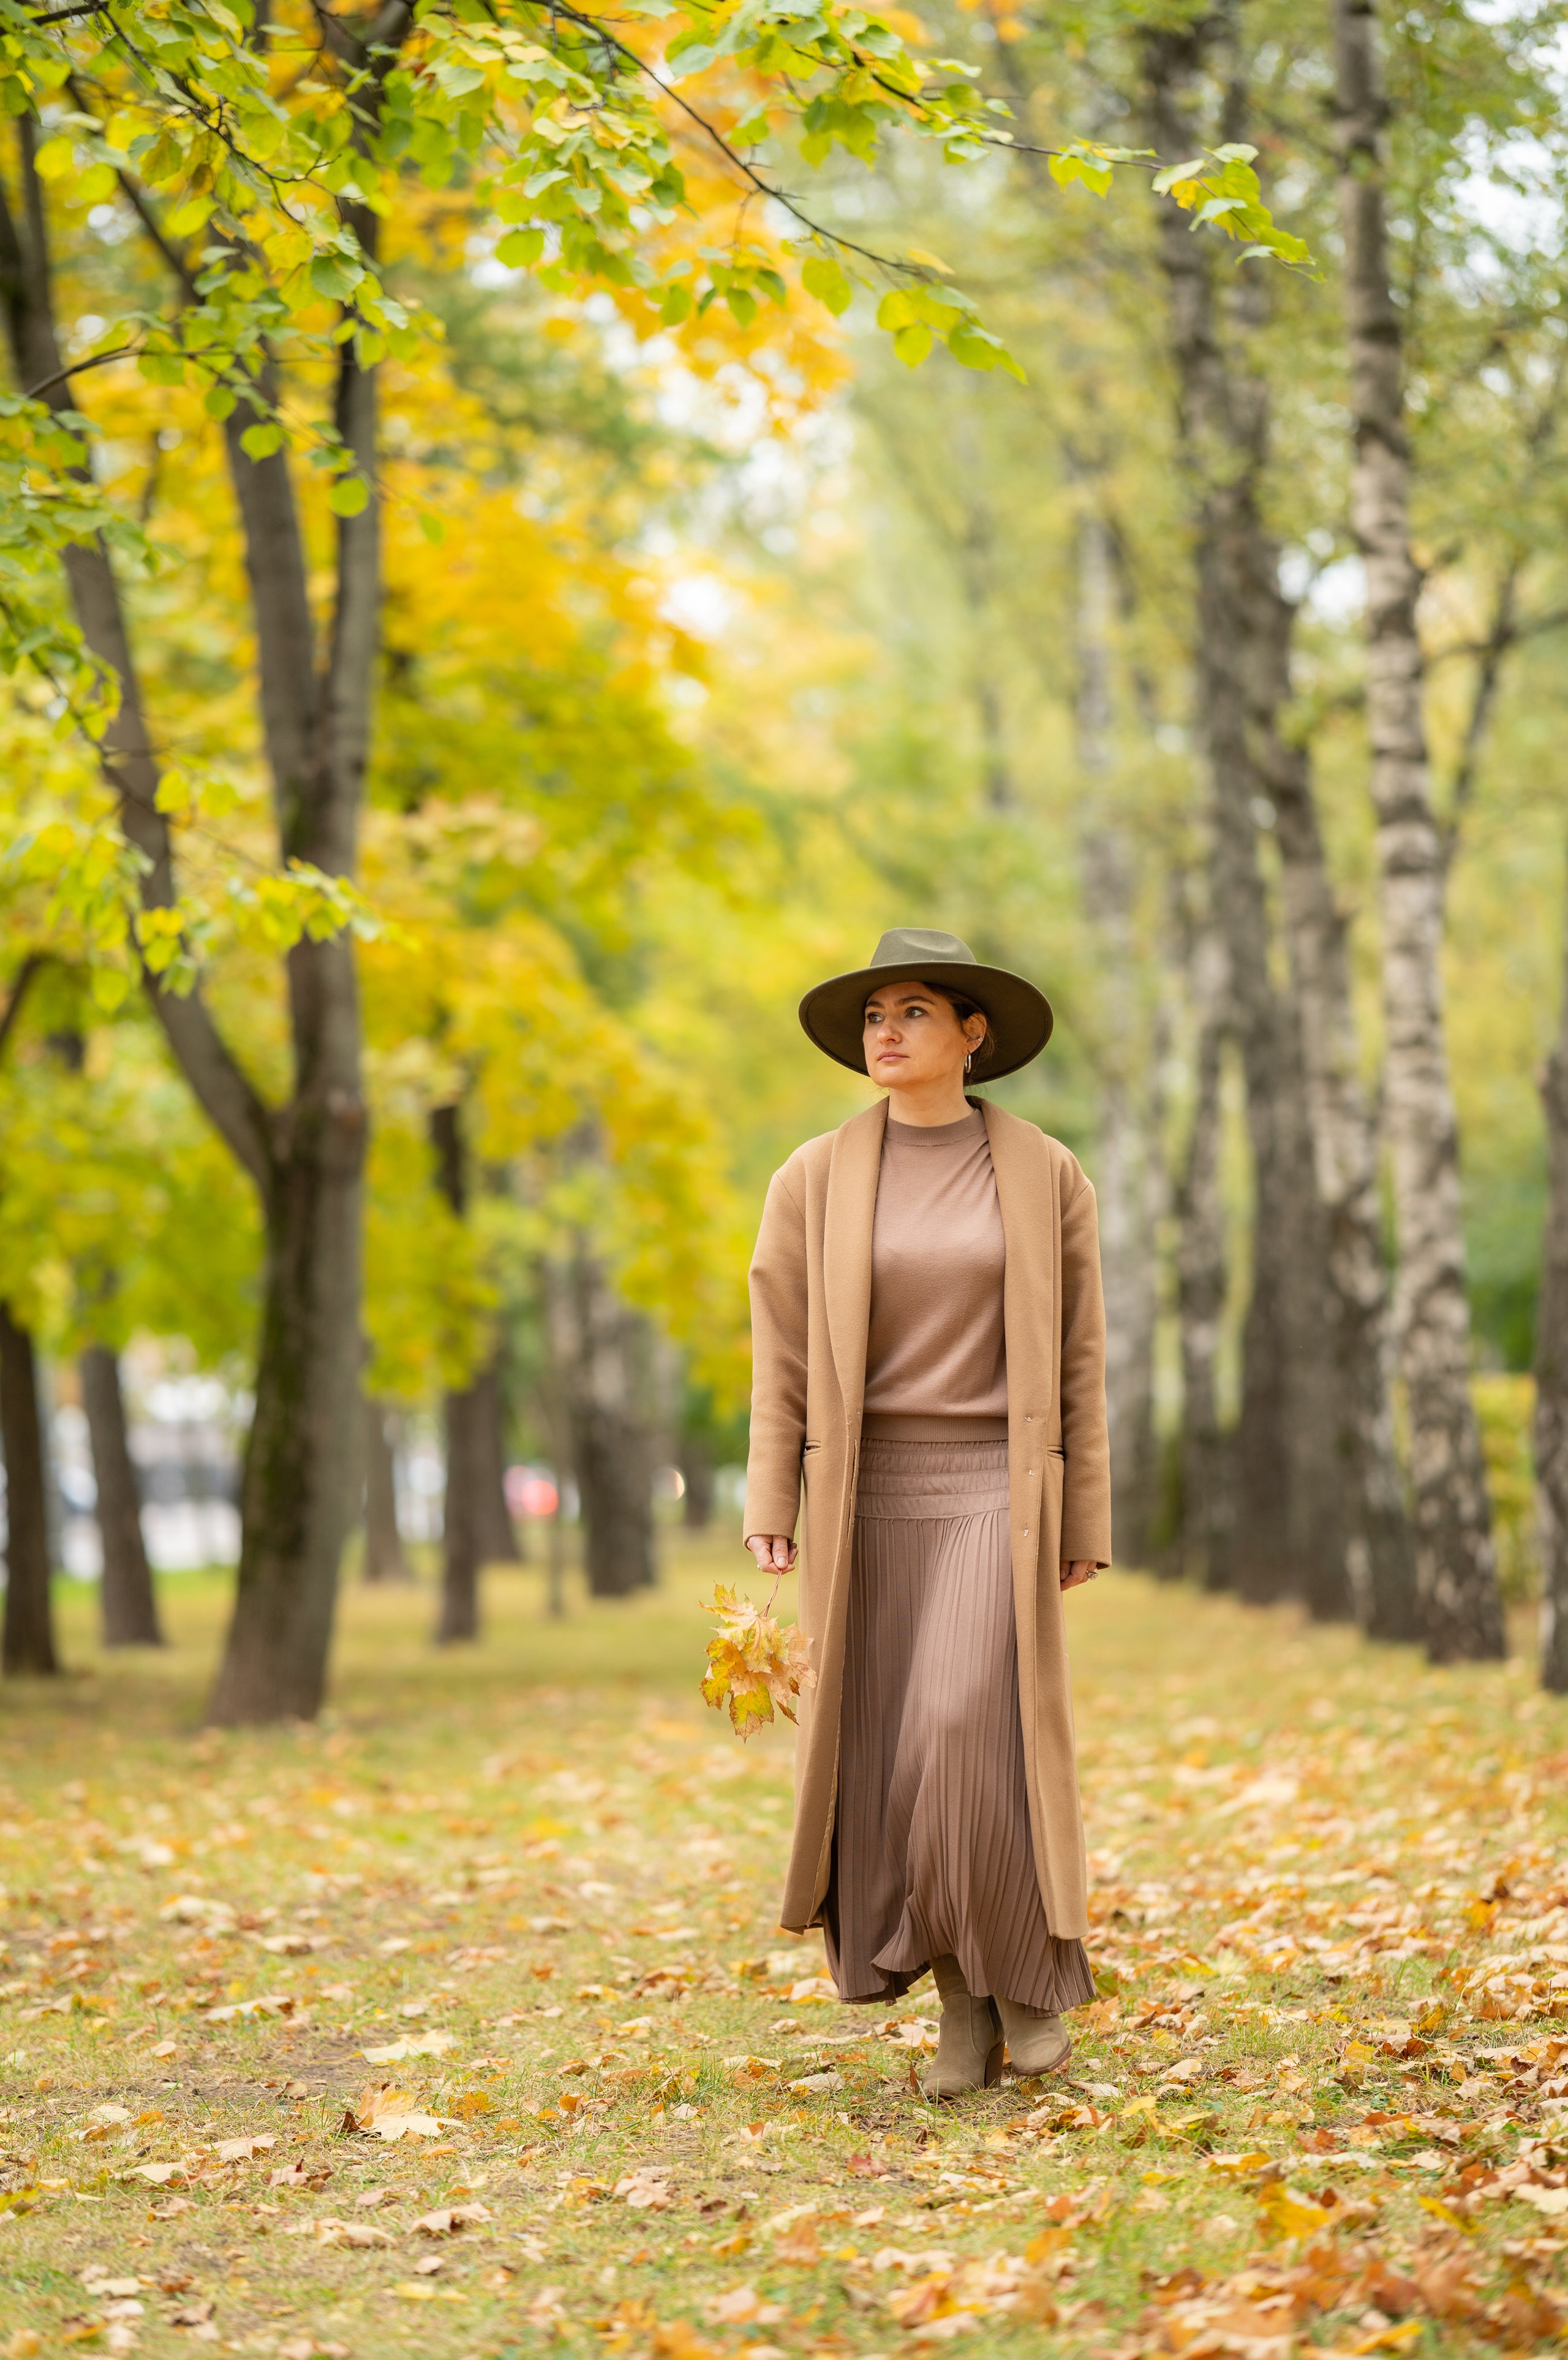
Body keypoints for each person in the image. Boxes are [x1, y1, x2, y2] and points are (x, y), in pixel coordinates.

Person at [744, 928, 1110, 2098]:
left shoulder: (1044, 1171)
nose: (887, 1033)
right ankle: (966, 2006)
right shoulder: (813, 1177)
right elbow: (780, 1353)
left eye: (913, 1012)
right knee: (897, 1763)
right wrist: (772, 1495)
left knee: (961, 1734)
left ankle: (1027, 1985)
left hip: (999, 1490)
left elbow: (1080, 1356)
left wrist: (1083, 1515)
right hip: (866, 1499)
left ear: (972, 1034)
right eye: (873, 1016)